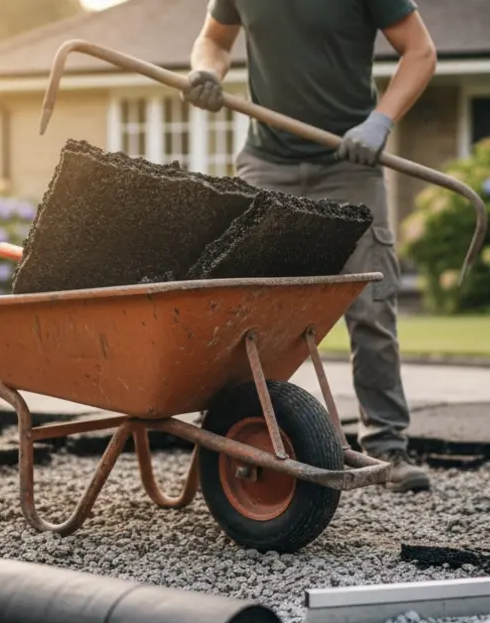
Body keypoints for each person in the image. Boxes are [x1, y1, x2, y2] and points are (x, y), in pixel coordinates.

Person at [182, 0, 437, 492]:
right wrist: (206, 71)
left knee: (372, 304)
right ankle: (234, 435)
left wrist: (381, 121)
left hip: (349, 165)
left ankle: (386, 445)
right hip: (267, 165)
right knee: (241, 307)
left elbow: (420, 52)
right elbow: (214, 40)